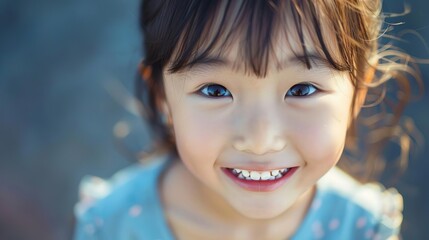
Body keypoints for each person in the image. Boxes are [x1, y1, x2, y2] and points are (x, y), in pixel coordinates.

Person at [73, 0, 420, 239]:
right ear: (163, 96)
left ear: (358, 92)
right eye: (214, 90)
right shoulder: (112, 225)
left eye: (301, 89)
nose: (260, 139)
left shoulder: (361, 229)